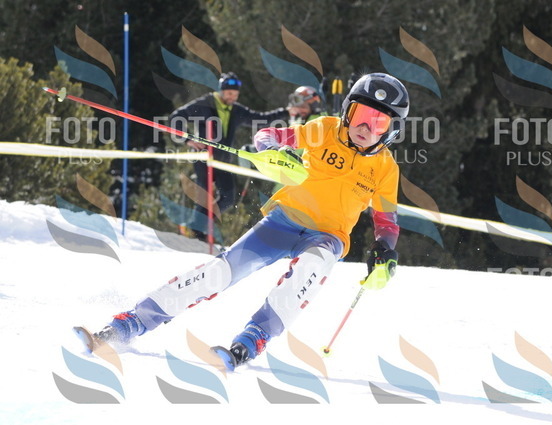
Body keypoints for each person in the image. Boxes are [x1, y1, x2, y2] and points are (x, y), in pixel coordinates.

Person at [88, 73, 409, 370]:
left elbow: (387, 221)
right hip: (283, 222)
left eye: (379, 122)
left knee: (310, 269)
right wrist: (271, 150)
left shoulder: (385, 168)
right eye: (360, 114)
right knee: (221, 271)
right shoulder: (324, 128)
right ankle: (133, 321)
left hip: (329, 236)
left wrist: (385, 248)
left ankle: (254, 337)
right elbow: (269, 134)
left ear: (391, 131)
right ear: (347, 111)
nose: (365, 126)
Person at [169, 72, 290, 237]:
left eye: (235, 94)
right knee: (204, 196)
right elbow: (176, 118)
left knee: (228, 198)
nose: (232, 97)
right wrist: (187, 139)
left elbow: (260, 118)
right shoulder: (205, 104)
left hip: (223, 160)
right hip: (203, 158)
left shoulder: (236, 110)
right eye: (229, 93)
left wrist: (286, 112)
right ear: (221, 90)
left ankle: (198, 225)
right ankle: (197, 233)